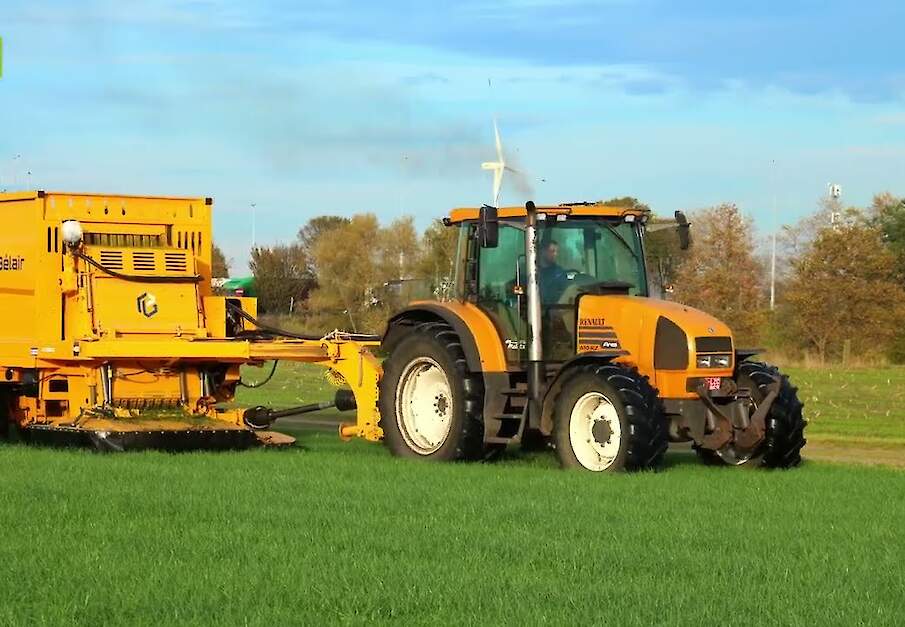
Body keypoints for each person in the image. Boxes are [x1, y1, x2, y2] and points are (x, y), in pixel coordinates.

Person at [538, 240, 568, 304]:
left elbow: (565, 294)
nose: (555, 254)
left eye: (557, 252)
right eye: (552, 251)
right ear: (543, 251)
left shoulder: (560, 273)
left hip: (556, 309)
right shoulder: (532, 271)